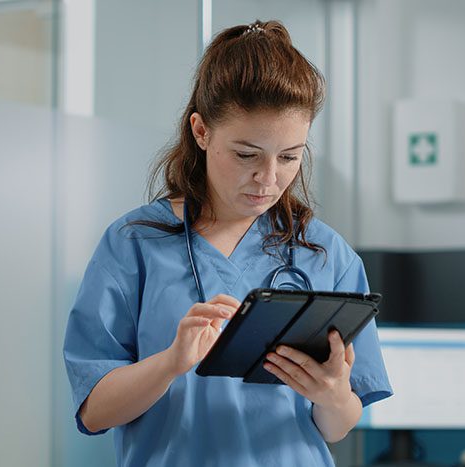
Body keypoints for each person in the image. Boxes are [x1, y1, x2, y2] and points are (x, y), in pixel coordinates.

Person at [63, 19, 391, 467]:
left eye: (290, 156)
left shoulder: (326, 253)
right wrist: (170, 362)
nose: (269, 177)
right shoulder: (133, 245)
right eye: (246, 155)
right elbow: (94, 411)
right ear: (201, 131)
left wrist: (332, 396)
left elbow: (338, 424)